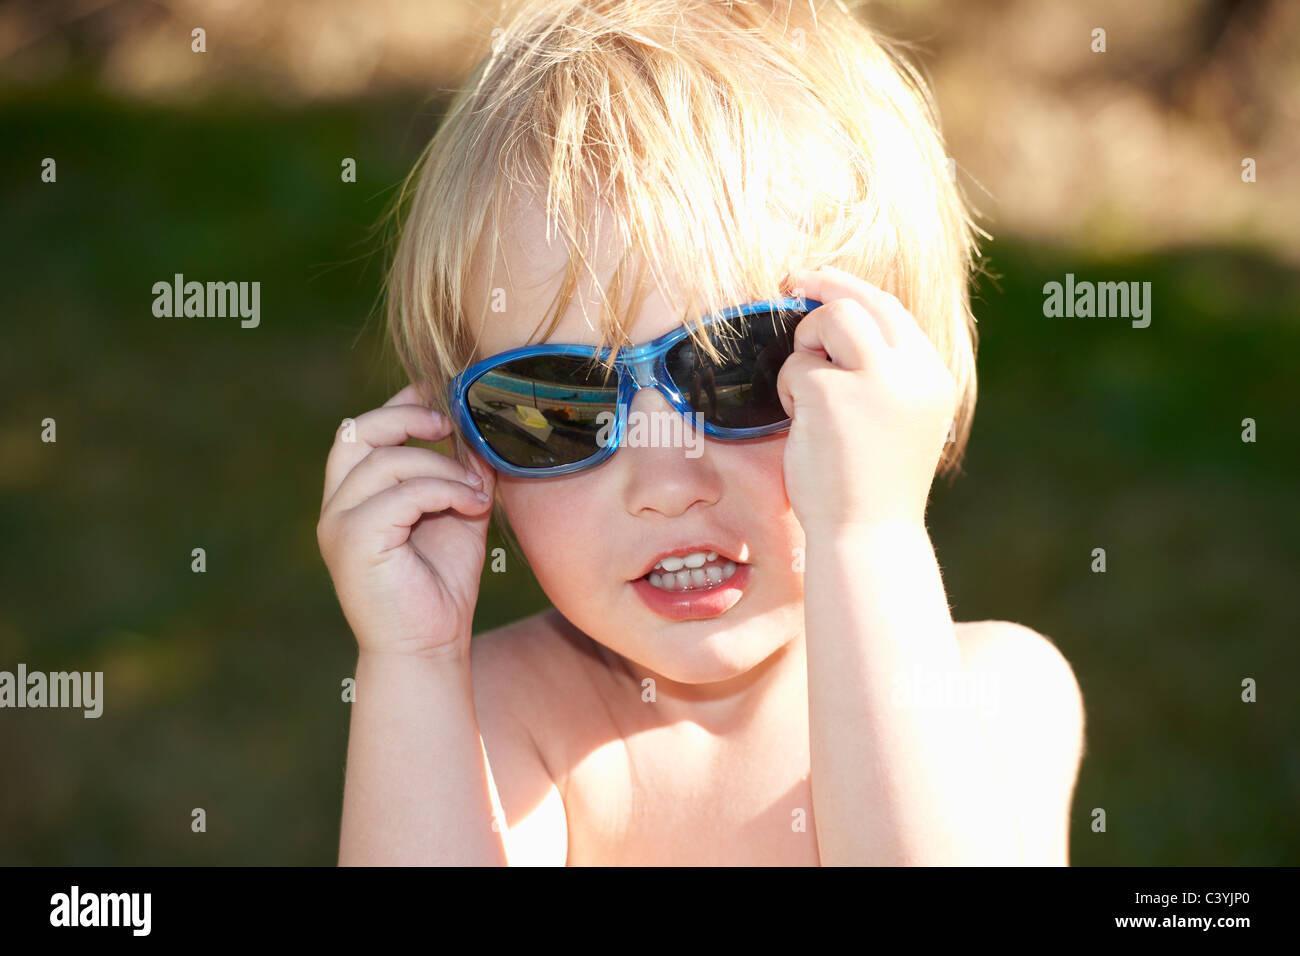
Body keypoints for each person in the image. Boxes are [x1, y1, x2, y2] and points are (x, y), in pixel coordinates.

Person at [318, 0, 1085, 865]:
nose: (667, 483)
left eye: (741, 375)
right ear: (469, 452)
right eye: (561, 407)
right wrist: (413, 666)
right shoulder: (495, 719)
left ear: (893, 391)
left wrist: (869, 537)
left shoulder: (999, 696)